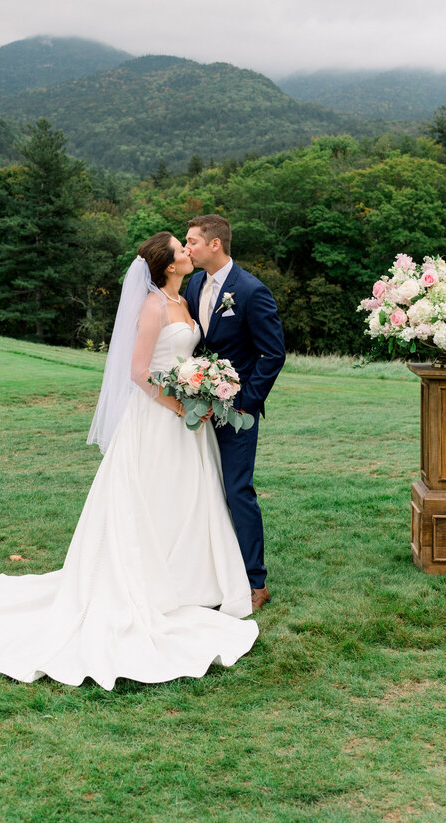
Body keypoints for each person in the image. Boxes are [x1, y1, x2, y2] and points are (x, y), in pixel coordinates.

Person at [0, 233, 258, 690]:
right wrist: (177, 403)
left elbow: (183, 357)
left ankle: (190, 579)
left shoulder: (182, 301)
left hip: (187, 420)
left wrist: (199, 386)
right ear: (168, 265)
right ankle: (152, 582)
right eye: (180, 249)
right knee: (152, 495)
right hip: (158, 418)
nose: (188, 251)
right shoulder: (152, 307)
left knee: (186, 496)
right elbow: (138, 371)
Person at [184, 215, 285, 612]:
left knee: (236, 491)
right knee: (201, 489)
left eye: (192, 241)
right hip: (197, 408)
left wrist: (244, 402)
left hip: (236, 411)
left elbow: (272, 354)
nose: (187, 247)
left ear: (214, 245)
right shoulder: (194, 284)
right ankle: (209, 572)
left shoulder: (250, 290)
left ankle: (255, 582)